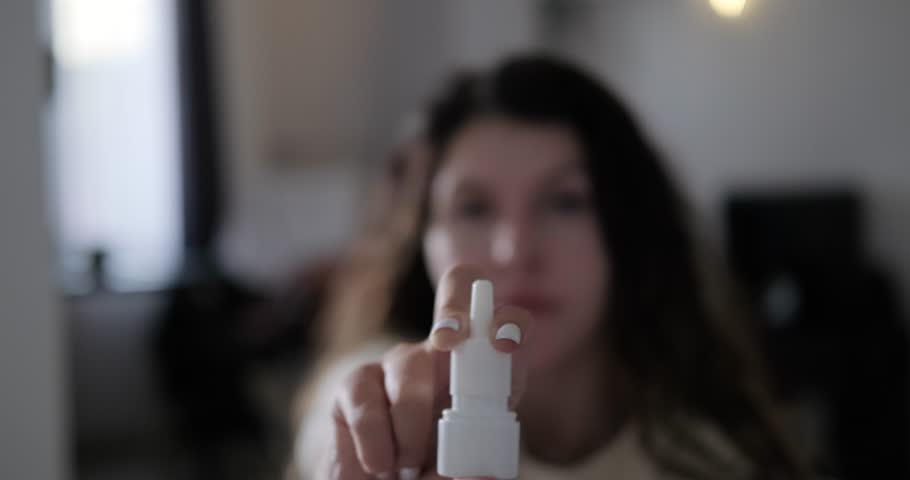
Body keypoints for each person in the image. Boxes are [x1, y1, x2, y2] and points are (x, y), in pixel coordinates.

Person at [292, 54, 809, 479]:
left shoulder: (713, 452)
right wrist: (373, 452)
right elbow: (332, 431)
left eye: (564, 202)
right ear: (420, 239)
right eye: (474, 207)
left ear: (629, 228)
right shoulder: (372, 406)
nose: (514, 249)